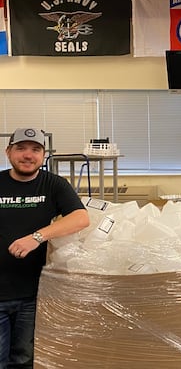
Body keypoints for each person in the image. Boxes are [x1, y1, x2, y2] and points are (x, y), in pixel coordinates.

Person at [1, 127, 89, 368]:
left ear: (43, 155)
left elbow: (81, 218)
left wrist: (37, 237)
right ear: (8, 152)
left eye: (35, 149)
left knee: (24, 360)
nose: (28, 155)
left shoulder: (54, 184)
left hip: (34, 292)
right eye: (21, 148)